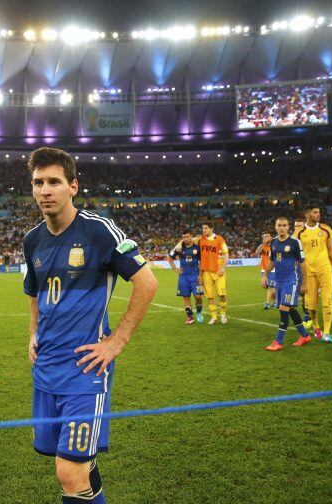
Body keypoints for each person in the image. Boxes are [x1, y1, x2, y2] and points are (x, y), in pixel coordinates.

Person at [23, 147, 158, 503]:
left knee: (69, 472)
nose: (45, 190)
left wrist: (117, 341)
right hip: (46, 368)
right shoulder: (32, 240)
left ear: (73, 186)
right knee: (79, 466)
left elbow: (147, 282)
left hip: (86, 369)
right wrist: (33, 333)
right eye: (38, 182)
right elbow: (34, 291)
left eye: (54, 181)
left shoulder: (99, 232)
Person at [262, 217, 310, 351]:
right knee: (290, 309)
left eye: (284, 225)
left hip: (291, 281)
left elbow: (302, 263)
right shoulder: (274, 243)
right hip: (279, 281)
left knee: (283, 308)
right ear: (275, 227)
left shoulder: (295, 242)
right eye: (279, 225)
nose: (282, 228)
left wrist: (304, 283)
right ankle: (304, 335)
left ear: (288, 227)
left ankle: (278, 341)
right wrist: (265, 275)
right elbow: (271, 262)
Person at [294, 206, 332, 343]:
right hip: (308, 272)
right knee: (311, 305)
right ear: (307, 214)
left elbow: (331, 249)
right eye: (315, 212)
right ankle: (316, 326)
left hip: (324, 269)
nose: (318, 214)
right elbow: (295, 253)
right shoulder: (299, 232)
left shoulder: (326, 229)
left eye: (319, 212)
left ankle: (326, 332)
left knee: (327, 301)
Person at [167, 230, 204, 324]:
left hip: (195, 275)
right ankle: (190, 317)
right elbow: (169, 258)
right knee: (186, 297)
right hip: (183, 276)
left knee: (198, 296)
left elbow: (202, 262)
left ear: (191, 236)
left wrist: (200, 275)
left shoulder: (197, 248)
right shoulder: (179, 248)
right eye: (183, 237)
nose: (185, 239)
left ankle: (199, 312)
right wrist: (175, 268)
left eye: (187, 236)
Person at [198, 221, 229, 324]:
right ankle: (214, 317)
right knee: (210, 296)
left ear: (211, 229)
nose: (204, 230)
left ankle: (223, 314)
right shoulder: (200, 239)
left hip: (218, 271)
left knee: (222, 294)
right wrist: (180, 243)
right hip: (206, 272)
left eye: (206, 228)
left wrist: (223, 268)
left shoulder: (219, 239)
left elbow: (226, 254)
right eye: (203, 228)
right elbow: (187, 240)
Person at [255, 232, 275, 310]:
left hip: (272, 269)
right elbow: (257, 252)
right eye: (264, 236)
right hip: (263, 269)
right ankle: (276, 301)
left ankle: (267, 303)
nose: (266, 237)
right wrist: (263, 243)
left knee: (271, 287)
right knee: (267, 287)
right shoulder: (263, 246)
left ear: (271, 237)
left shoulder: (274, 245)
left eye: (267, 236)